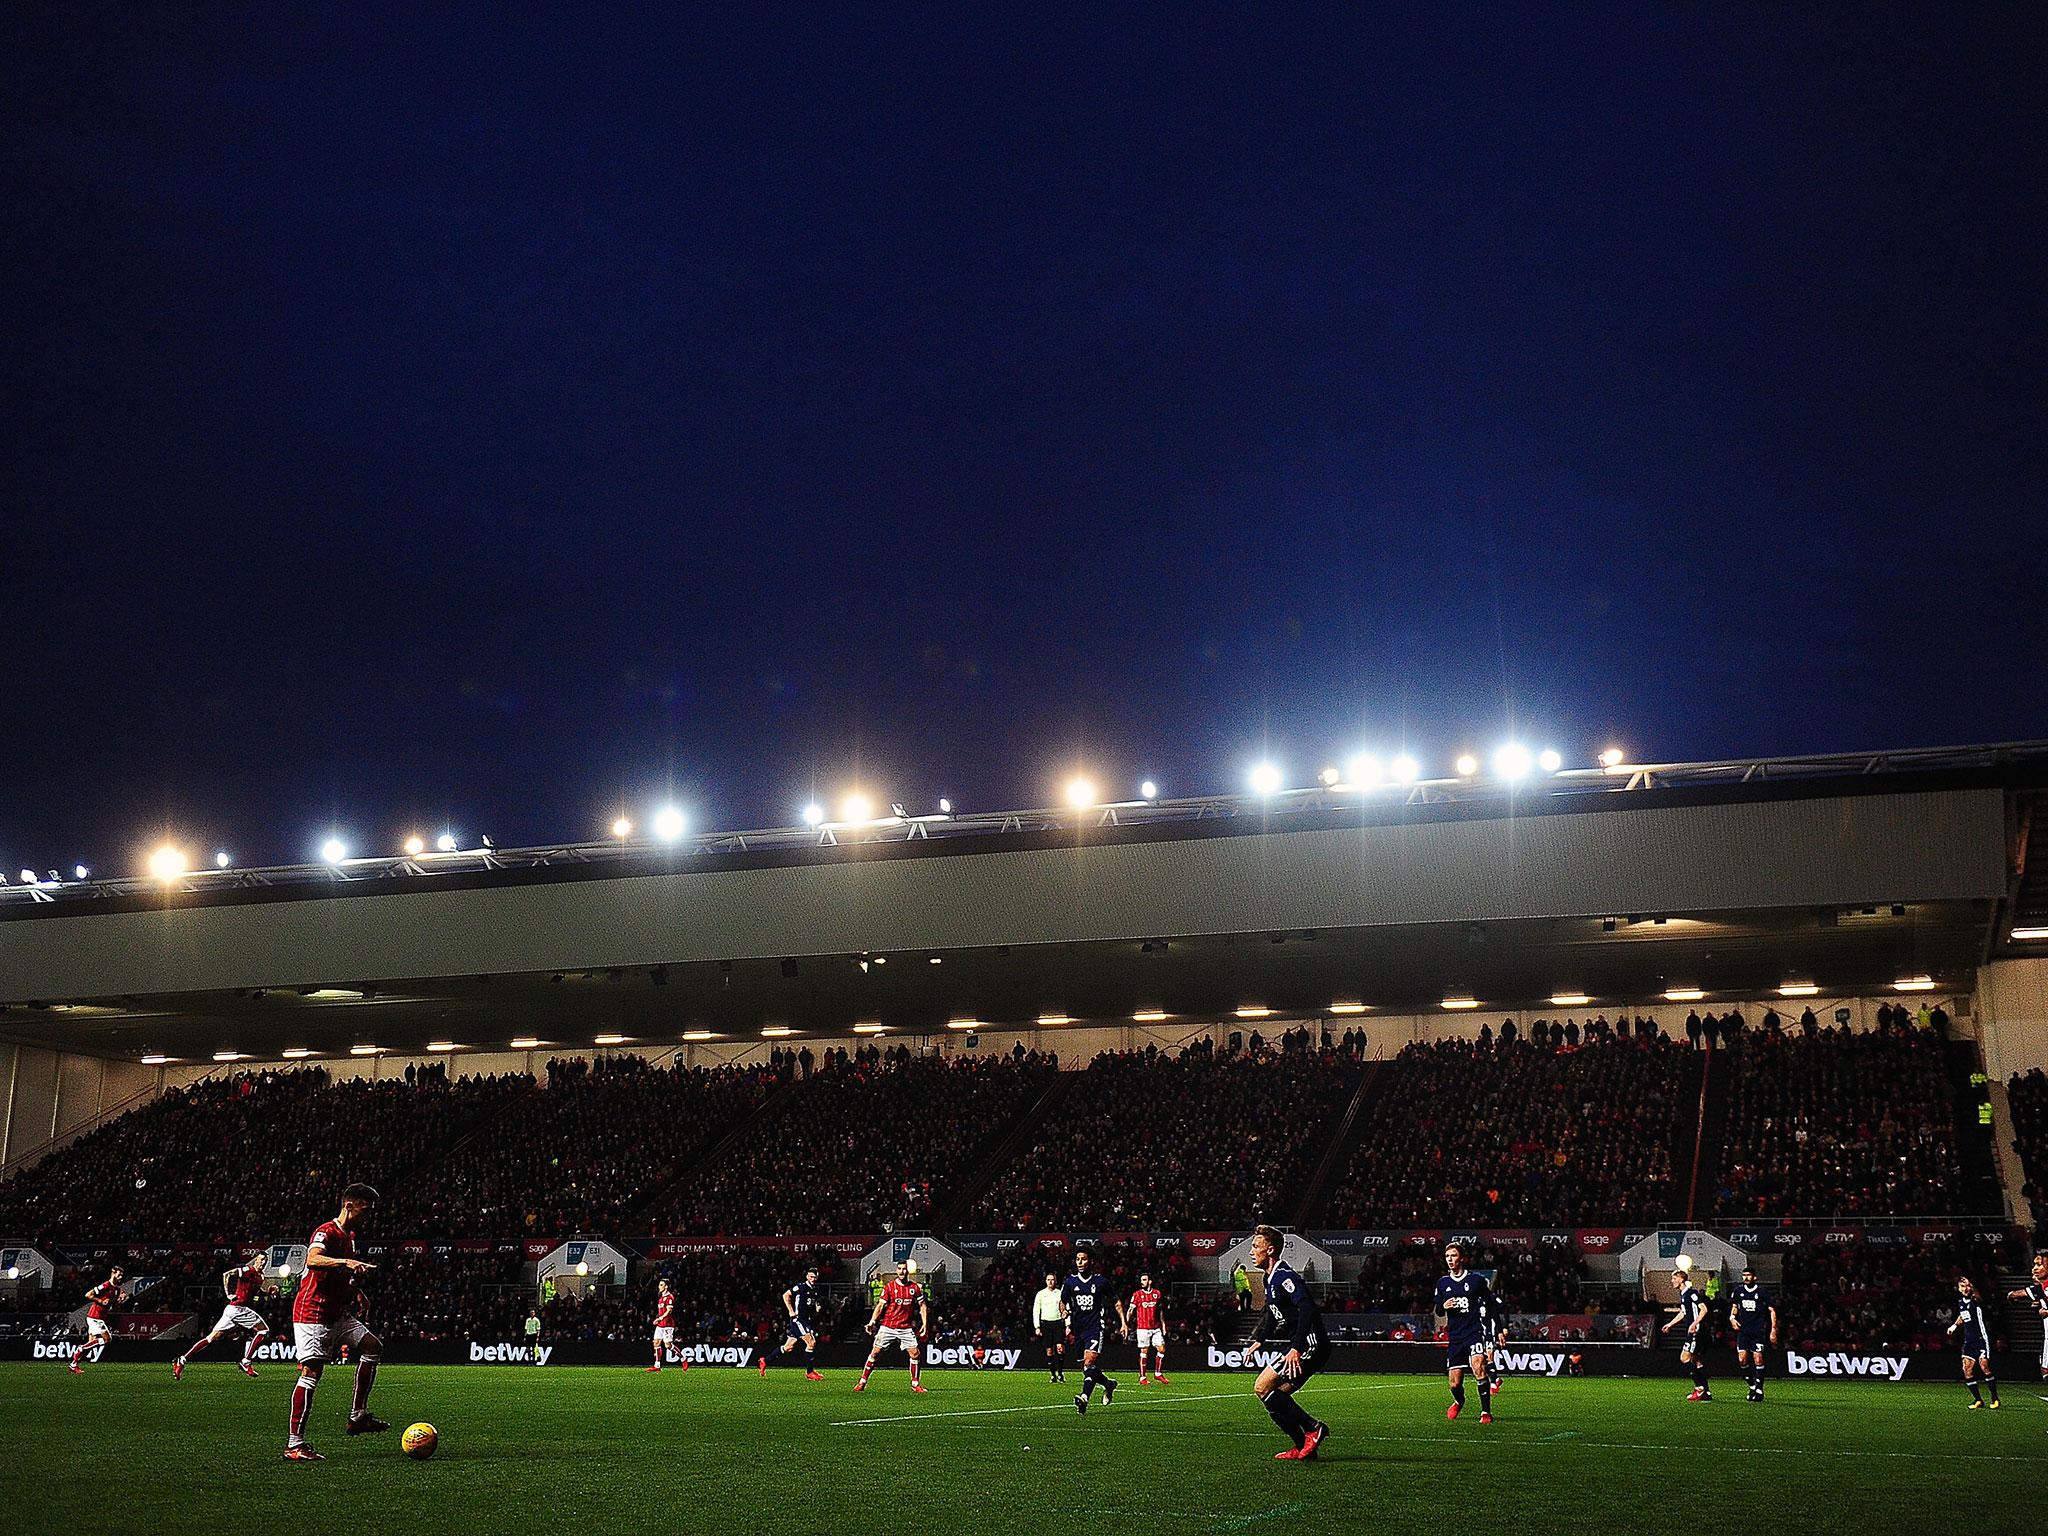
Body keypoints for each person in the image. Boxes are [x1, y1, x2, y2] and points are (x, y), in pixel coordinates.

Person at [285, 1183, 388, 1461]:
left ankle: (358, 1416)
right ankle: (295, 1444)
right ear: (349, 1206)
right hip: (313, 1312)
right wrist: (347, 1262)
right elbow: (313, 1259)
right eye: (365, 1210)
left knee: (372, 1346)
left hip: (336, 1312)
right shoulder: (326, 1231)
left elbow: (340, 1273)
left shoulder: (349, 1237)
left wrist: (357, 1291)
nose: (369, 1216)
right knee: (311, 1374)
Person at [1245, 1225, 1329, 1460]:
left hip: (1310, 1345)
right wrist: (1260, 1340)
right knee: (1272, 1396)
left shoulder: (1285, 1276)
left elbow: (1307, 1307)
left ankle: (1313, 1428)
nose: (1251, 1252)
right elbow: (1273, 1312)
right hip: (1303, 1344)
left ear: (1270, 1250)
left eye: (1255, 1246)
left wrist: (1295, 1348)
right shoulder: (1268, 1277)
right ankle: (1304, 1447)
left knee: (1262, 1387)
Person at [175, 1253, 272, 1379]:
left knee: (211, 1338)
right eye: (261, 1259)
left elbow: (257, 1292)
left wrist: (269, 1292)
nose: (263, 1262)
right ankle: (245, 1362)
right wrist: (228, 1294)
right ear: (256, 1260)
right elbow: (227, 1275)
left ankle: (182, 1360)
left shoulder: (261, 1277)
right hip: (238, 1309)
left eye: (265, 1260)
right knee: (263, 1330)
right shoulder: (248, 1270)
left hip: (233, 1311)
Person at [1434, 1241, 1494, 1422]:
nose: (1450, 1260)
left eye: (1453, 1256)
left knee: (1479, 1367)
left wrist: (1497, 1329)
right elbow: (1438, 1310)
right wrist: (1443, 1306)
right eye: (1447, 1256)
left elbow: (1490, 1304)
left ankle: (1486, 1412)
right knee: (1454, 1383)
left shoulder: (1475, 1280)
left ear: (1462, 1258)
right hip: (1456, 1336)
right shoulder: (1443, 1283)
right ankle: (1459, 1401)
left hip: (1474, 1332)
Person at [855, 1259, 928, 1393]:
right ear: (896, 1270)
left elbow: (922, 1306)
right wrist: (872, 1321)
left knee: (915, 1353)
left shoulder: (914, 1288)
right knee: (875, 1352)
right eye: (899, 1269)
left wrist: (924, 1323)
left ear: (908, 1271)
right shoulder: (889, 1287)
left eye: (904, 1269)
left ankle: (915, 1384)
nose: (902, 1271)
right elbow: (880, 1305)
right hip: (888, 1326)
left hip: (905, 1327)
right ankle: (862, 1382)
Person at [1064, 1248, 1118, 1414]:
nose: (1080, 1262)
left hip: (1095, 1327)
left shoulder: (1101, 1282)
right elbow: (1063, 1301)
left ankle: (1084, 1397)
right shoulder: (1070, 1282)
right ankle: (1108, 1384)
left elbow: (1116, 1302)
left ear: (1091, 1262)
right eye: (1078, 1259)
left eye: (1084, 1259)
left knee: (1089, 1362)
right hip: (1078, 1329)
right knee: (1086, 1368)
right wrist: (1064, 1313)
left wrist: (1123, 1322)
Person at [1661, 1265, 1711, 1402]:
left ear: (1682, 1280)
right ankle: (1706, 1391)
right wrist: (1670, 1324)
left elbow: (1704, 1309)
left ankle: (1699, 1388)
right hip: (1693, 1331)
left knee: (1685, 1358)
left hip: (1696, 1331)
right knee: (1697, 1361)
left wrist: (1695, 1324)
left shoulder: (1691, 1293)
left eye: (1674, 1278)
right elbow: (1684, 1312)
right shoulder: (1683, 1295)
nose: (1672, 1281)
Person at [1948, 1277, 2000, 1408]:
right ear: (1959, 1289)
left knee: (1984, 1367)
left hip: (1981, 1339)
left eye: (1967, 1286)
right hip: (1969, 1341)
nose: (1966, 1289)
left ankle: (1994, 1398)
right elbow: (1963, 1315)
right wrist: (1954, 1325)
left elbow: (1979, 1297)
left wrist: (1972, 1285)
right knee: (1967, 1370)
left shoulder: (1975, 1300)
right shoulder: (1961, 1302)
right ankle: (1978, 1400)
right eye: (1963, 1286)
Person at [1729, 1261, 1778, 1401]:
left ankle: (1759, 1389)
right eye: (1744, 1275)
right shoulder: (1738, 1291)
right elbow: (1734, 1307)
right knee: (1742, 1360)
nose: (1746, 1278)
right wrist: (1732, 1318)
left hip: (1757, 1331)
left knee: (1758, 1358)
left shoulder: (1762, 1292)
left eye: (1748, 1275)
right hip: (1743, 1331)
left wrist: (1773, 1329)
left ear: (1754, 1277)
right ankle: (1752, 1386)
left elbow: (1772, 1310)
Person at [69, 1265, 123, 1375]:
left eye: (122, 1275)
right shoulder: (105, 1285)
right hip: (95, 1317)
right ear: (113, 1273)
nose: (121, 1277)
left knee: (91, 1343)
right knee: (108, 1339)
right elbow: (88, 1295)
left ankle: (73, 1364)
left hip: (100, 1317)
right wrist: (100, 1300)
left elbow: (111, 1305)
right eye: (119, 1274)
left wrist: (120, 1301)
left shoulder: (117, 1290)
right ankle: (81, 1348)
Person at [2003, 1254, 2048, 1381]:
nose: (2034, 1268)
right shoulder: (2041, 1288)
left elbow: (2014, 1295)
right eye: (2034, 1265)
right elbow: (2017, 1294)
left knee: (2045, 1370)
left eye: (2039, 1265)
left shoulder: (2043, 1287)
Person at [1121, 1270, 1169, 1385]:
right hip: (1142, 1328)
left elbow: (1160, 1311)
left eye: (1144, 1280)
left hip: (1156, 1327)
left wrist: (1163, 1325)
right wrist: (1126, 1324)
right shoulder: (1137, 1295)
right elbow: (1130, 1310)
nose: (1142, 1282)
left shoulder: (1157, 1294)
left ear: (1150, 1281)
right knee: (1144, 1351)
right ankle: (1142, 1377)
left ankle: (1158, 1374)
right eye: (1141, 1280)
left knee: (1162, 1349)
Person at [781, 1264, 825, 1379]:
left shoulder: (815, 1290)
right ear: (807, 1276)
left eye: (814, 1277)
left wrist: (816, 1307)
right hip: (798, 1319)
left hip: (806, 1320)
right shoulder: (801, 1287)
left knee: (788, 1347)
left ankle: (764, 1360)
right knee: (811, 1342)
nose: (813, 1279)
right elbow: (786, 1295)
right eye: (811, 1277)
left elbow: (811, 1302)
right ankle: (810, 1372)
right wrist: (791, 1311)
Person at [1031, 1270, 1067, 1382]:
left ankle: (1060, 1373)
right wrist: (1037, 1326)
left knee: (1060, 1349)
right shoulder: (1041, 1294)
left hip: (1058, 1323)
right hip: (1046, 1324)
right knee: (1049, 1351)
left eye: (1052, 1280)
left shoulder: (1060, 1293)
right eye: (1048, 1280)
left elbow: (1066, 1309)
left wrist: (1068, 1325)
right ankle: (1052, 1375)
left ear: (1055, 1281)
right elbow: (1036, 1310)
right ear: (1046, 1281)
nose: (1050, 1282)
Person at [647, 1277, 683, 1371]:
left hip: (668, 1324)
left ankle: (683, 1358)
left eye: (661, 1285)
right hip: (660, 1325)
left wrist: (660, 1318)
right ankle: (657, 1365)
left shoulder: (670, 1297)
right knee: (656, 1343)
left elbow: (669, 1311)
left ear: (666, 1286)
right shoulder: (661, 1298)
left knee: (668, 1345)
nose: (659, 1287)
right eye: (659, 1285)